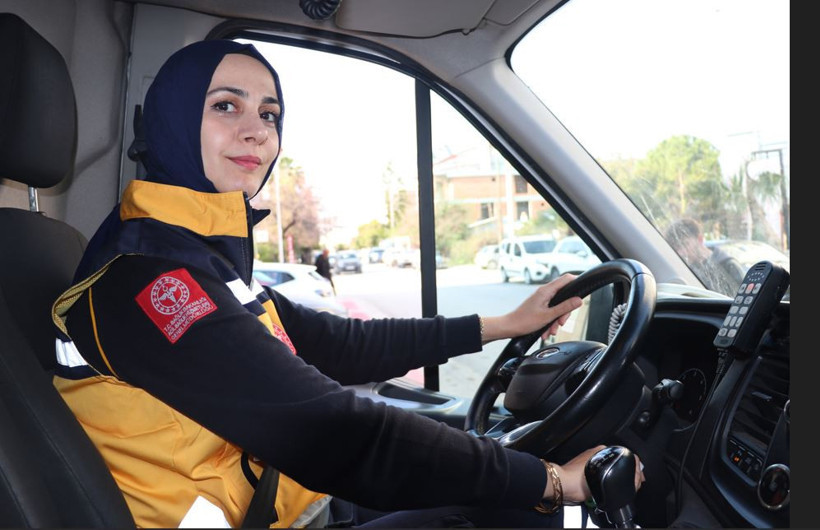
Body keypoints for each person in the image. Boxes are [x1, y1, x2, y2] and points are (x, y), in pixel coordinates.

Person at [51, 39, 644, 528]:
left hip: (284, 504)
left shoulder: (199, 261)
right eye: (226, 106)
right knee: (512, 512)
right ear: (173, 121)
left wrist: (504, 325)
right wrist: (553, 482)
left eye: (269, 114)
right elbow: (332, 430)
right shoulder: (148, 281)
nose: (257, 132)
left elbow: (340, 344)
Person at [665, 218, 746, 297]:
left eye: (685, 244)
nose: (680, 252)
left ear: (700, 239)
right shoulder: (687, 271)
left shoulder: (729, 265)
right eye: (676, 248)